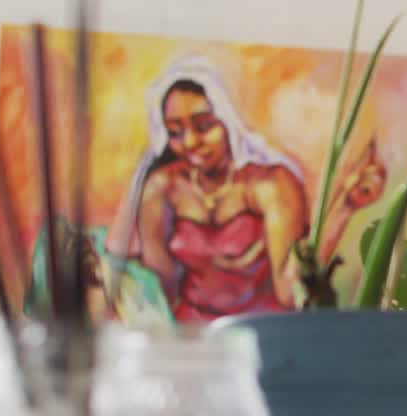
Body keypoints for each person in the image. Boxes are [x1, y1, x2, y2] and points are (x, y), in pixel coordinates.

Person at [105, 55, 384, 324]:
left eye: (204, 126)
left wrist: (344, 207)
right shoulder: (161, 188)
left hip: (262, 332)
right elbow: (161, 287)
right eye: (175, 131)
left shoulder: (270, 185)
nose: (190, 142)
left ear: (229, 120)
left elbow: (290, 292)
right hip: (192, 335)